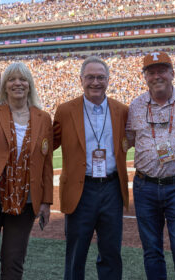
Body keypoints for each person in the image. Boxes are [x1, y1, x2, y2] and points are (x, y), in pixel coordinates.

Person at [0, 62, 53, 279]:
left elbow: (46, 163)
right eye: (12, 79)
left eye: (23, 79)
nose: (18, 83)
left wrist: (46, 201)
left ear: (30, 85)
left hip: (26, 200)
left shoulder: (43, 118)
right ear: (4, 86)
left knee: (14, 263)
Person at [125, 51, 175, 280]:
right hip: (144, 187)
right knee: (151, 251)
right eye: (151, 72)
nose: (157, 76)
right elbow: (127, 140)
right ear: (145, 77)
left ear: (172, 73)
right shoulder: (136, 105)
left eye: (162, 70)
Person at [53, 56, 129, 280]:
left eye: (100, 77)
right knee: (76, 252)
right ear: (81, 80)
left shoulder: (122, 110)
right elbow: (47, 144)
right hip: (81, 189)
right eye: (90, 77)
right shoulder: (65, 110)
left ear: (108, 80)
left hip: (112, 188)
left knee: (111, 251)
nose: (95, 82)